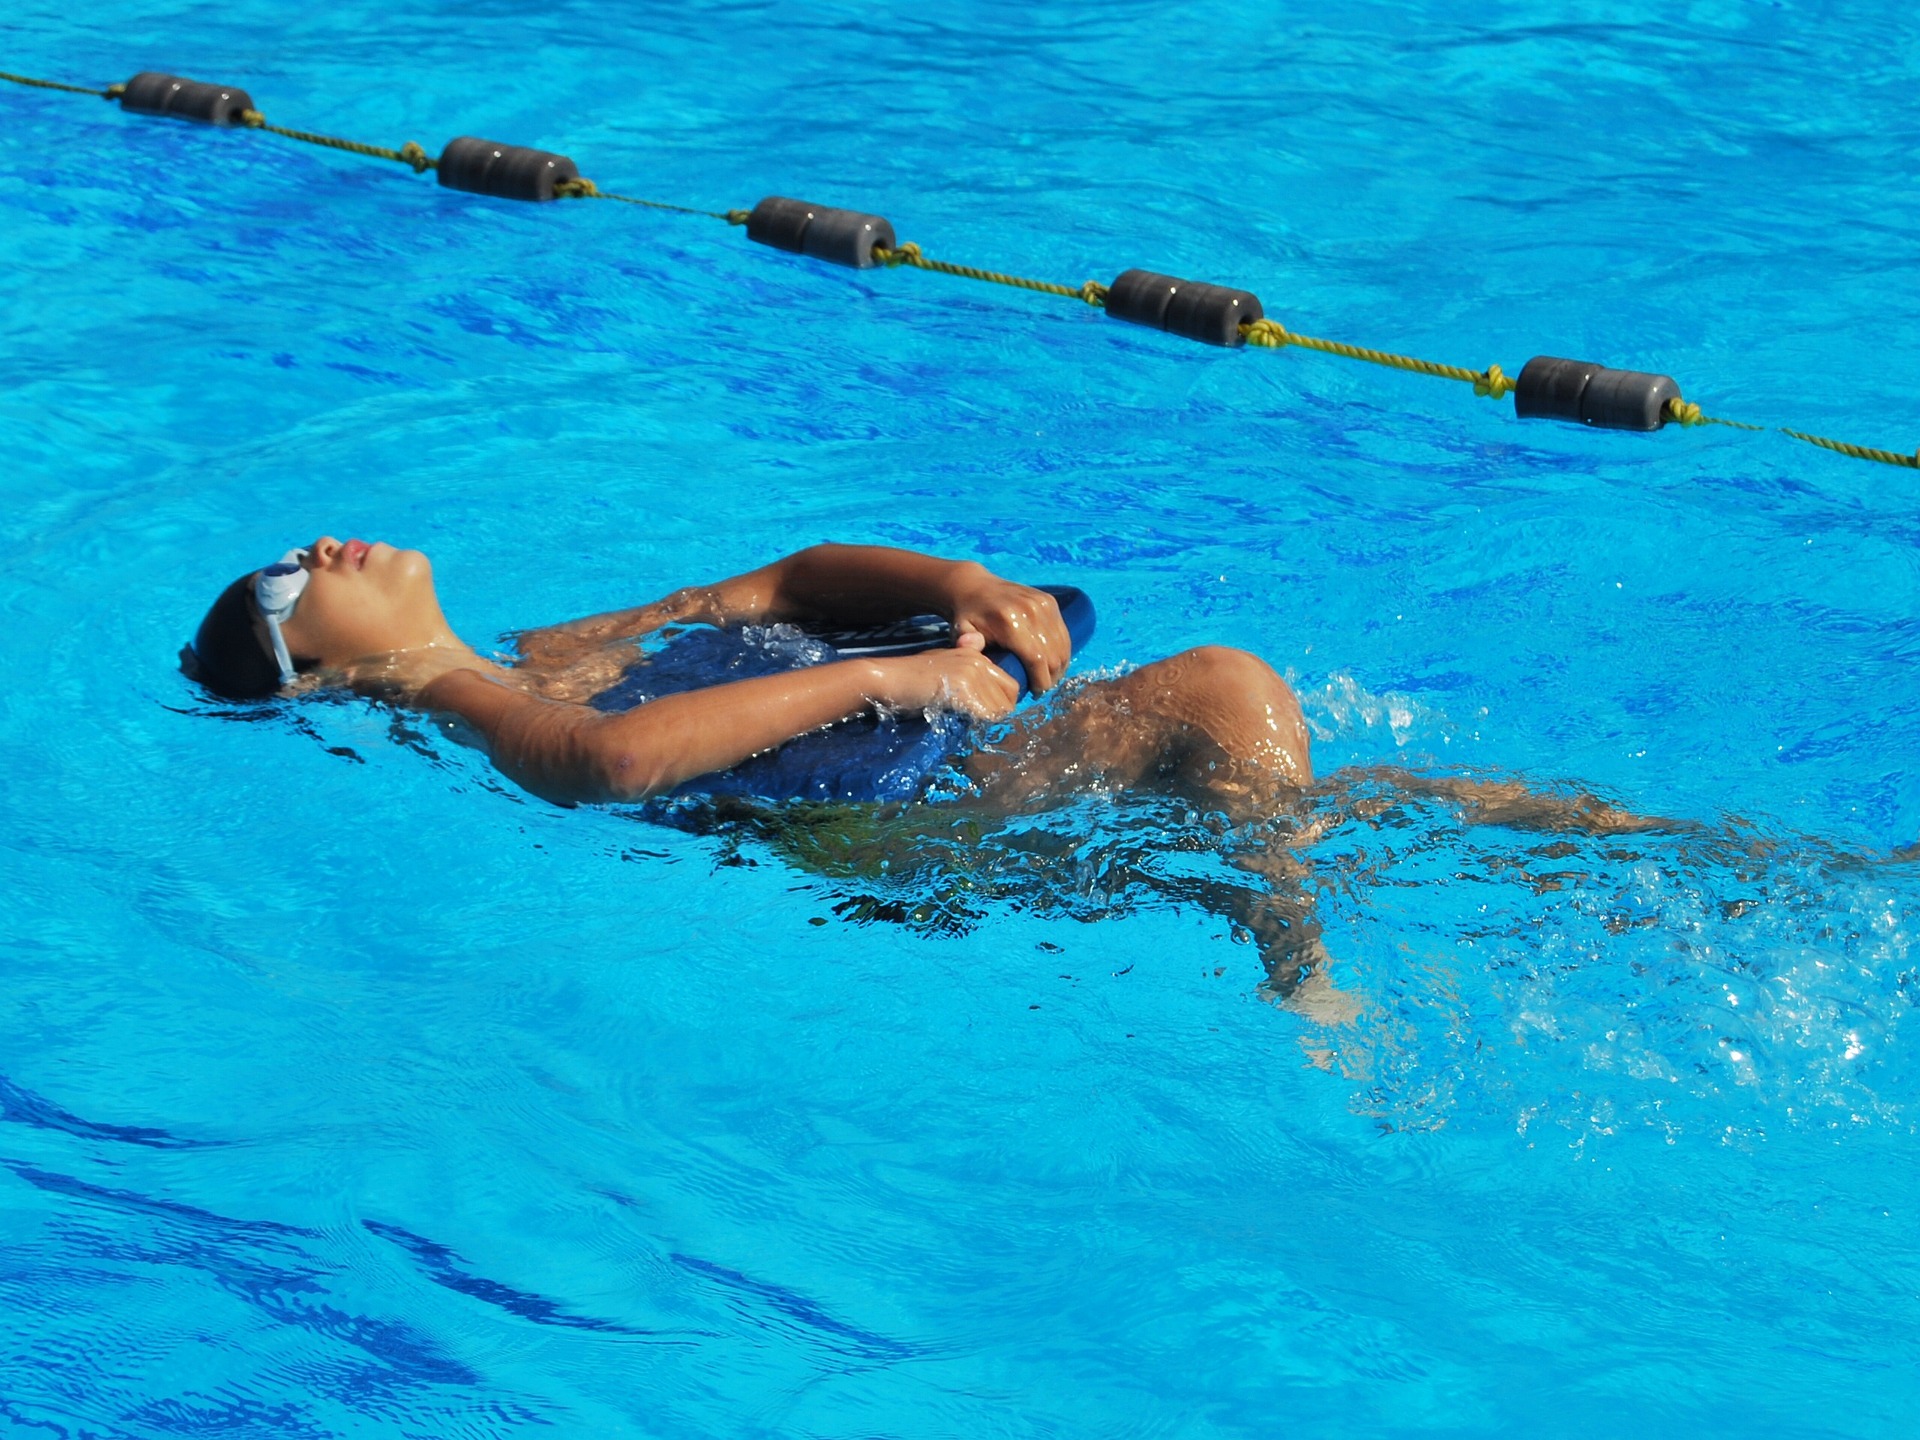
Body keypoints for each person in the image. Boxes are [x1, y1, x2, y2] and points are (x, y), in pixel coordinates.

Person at [184, 535, 1662, 1011]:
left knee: (1391, 811)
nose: (318, 551)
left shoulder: (541, 645)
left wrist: (955, 585)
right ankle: (1306, 985)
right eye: (284, 580)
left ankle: (1747, 875)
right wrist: (897, 676)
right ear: (310, 666)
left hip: (919, 796)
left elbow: (776, 584)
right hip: (868, 839)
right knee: (1229, 696)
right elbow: (616, 766)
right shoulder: (461, 693)